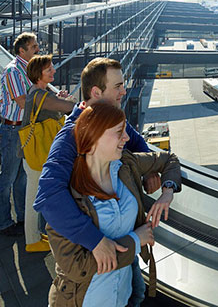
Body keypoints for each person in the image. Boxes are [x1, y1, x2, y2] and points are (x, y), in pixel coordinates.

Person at [35, 58, 163, 307]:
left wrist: (155, 177)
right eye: (118, 86)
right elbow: (48, 196)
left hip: (124, 246)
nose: (124, 91)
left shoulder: (111, 121)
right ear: (96, 92)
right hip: (98, 258)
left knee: (132, 296)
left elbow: (140, 148)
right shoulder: (70, 136)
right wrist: (94, 239)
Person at [47, 101, 181, 306]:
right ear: (95, 136)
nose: (127, 138)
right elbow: (79, 267)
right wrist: (136, 240)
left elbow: (169, 159)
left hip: (123, 295)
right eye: (119, 132)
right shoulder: (67, 195)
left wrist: (168, 191)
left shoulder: (126, 165)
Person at [22, 54, 76, 252]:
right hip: (37, 156)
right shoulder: (39, 96)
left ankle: (35, 236)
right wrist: (68, 99)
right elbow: (72, 107)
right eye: (49, 70)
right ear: (39, 74)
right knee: (33, 201)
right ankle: (31, 241)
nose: (53, 71)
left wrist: (59, 99)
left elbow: (54, 111)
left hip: (37, 154)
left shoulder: (38, 92)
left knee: (36, 197)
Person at [0, 32, 39, 236]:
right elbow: (23, 101)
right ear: (21, 51)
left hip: (21, 129)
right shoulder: (14, 71)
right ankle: (4, 222)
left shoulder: (27, 71)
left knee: (21, 178)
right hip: (13, 130)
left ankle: (23, 219)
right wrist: (47, 105)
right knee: (7, 178)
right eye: (33, 47)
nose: (37, 50)